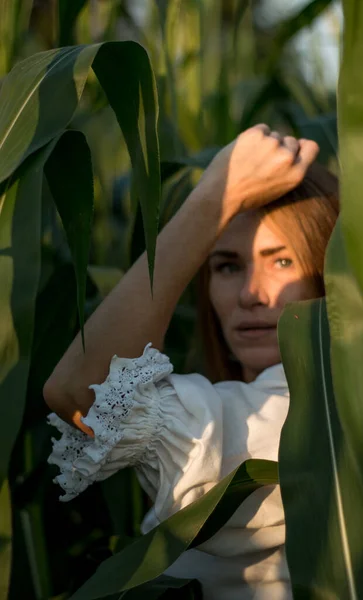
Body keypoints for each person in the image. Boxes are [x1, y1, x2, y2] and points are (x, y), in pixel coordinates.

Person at [44, 124, 339, 600]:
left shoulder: (308, 418)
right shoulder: (237, 410)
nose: (250, 294)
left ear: (334, 275)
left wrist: (216, 196)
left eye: (282, 261)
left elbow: (81, 391)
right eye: (226, 265)